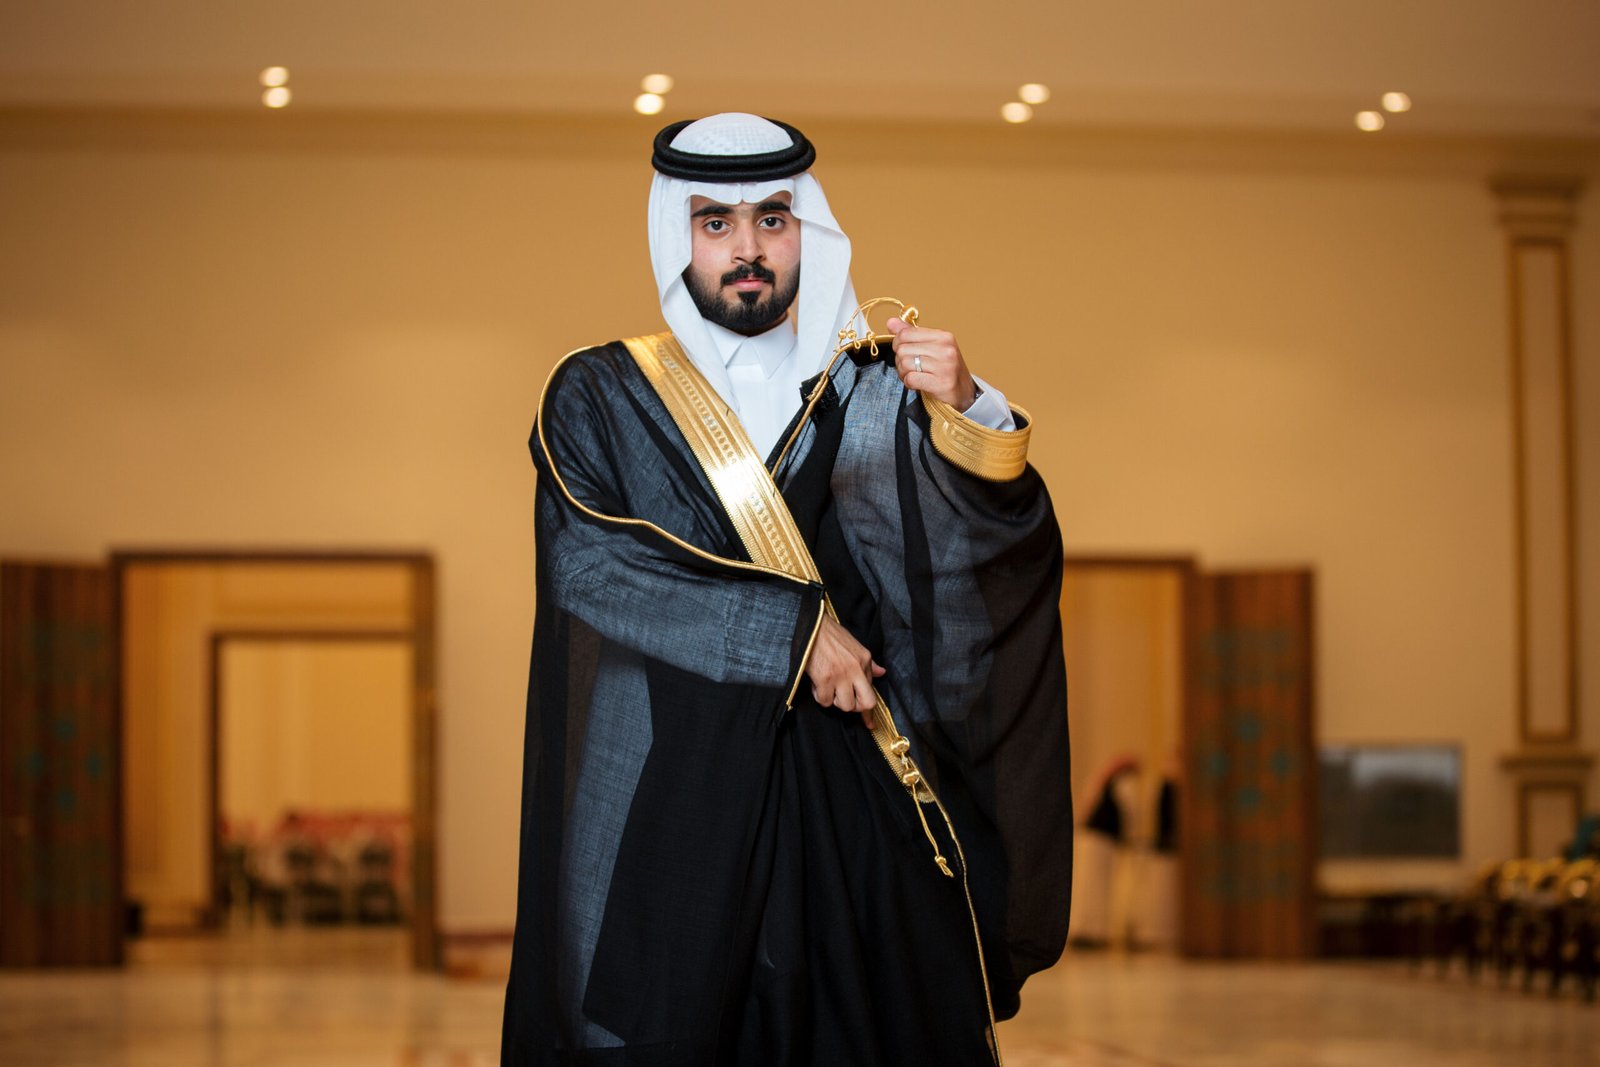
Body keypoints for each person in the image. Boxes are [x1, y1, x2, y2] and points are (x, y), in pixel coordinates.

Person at [502, 113, 1072, 1065]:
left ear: (807, 229)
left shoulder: (872, 390)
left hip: (857, 807)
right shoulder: (603, 395)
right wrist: (791, 635)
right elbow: (589, 564)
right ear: (677, 235)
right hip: (682, 807)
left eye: (772, 219)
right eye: (716, 224)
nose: (748, 249)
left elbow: (972, 564)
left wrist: (969, 408)